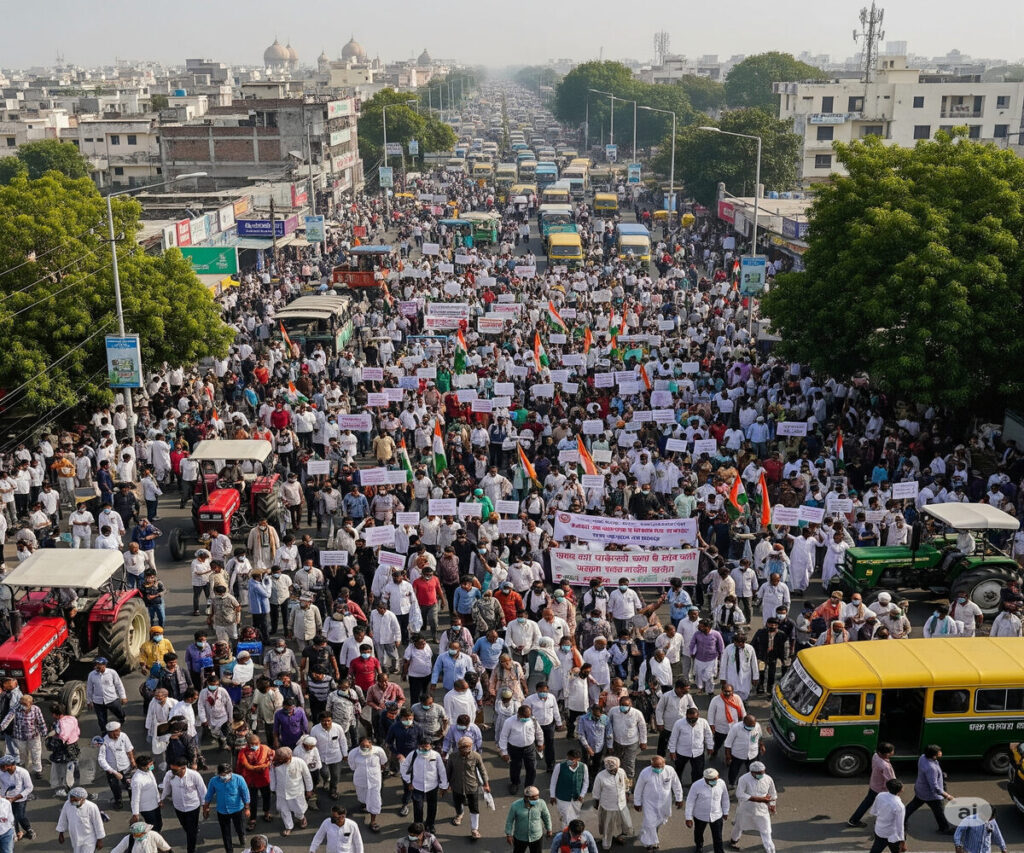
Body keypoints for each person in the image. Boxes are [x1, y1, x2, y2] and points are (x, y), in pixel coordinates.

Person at [633, 755, 683, 851]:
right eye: (655, 767)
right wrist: (637, 802)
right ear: (651, 765)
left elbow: (676, 784)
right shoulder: (645, 773)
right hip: (649, 803)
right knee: (650, 822)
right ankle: (650, 844)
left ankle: (651, 836)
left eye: (660, 766)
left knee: (659, 821)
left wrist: (679, 798)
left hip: (664, 803)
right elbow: (638, 788)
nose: (658, 769)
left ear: (664, 763)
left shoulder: (670, 770)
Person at [903, 744, 955, 834]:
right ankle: (944, 828)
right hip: (931, 795)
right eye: (939, 752)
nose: (941, 752)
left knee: (912, 806)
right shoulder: (931, 768)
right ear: (934, 756)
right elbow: (934, 786)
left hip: (921, 789)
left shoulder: (923, 757)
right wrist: (947, 796)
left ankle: (900, 820)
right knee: (939, 811)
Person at [401, 736, 448, 834]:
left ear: (431, 746)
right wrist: (408, 781)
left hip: (432, 786)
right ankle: (418, 826)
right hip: (417, 786)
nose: (424, 749)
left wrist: (443, 786)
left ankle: (430, 825)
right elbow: (404, 767)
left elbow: (442, 770)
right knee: (418, 808)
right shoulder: (413, 755)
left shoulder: (436, 755)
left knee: (432, 807)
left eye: (427, 746)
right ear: (418, 746)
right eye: (422, 746)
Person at [728, 760, 777, 852]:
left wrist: (772, 805)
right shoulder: (743, 779)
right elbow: (740, 794)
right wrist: (759, 799)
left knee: (766, 830)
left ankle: (770, 850)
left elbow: (772, 793)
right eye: (759, 773)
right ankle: (733, 841)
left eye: (763, 772)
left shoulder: (768, 779)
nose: (762, 775)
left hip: (762, 810)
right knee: (739, 826)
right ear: (752, 772)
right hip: (746, 809)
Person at [446, 735, 488, 839]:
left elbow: (482, 770)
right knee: (457, 803)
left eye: (468, 747)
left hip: (472, 786)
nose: (466, 750)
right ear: (459, 747)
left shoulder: (476, 756)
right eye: (463, 748)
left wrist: (486, 784)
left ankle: (474, 829)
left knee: (474, 808)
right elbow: (448, 771)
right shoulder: (452, 756)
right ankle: (459, 814)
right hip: (457, 785)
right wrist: (446, 785)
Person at [160, 758, 206, 853]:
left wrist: (205, 807)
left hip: (192, 807)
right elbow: (166, 788)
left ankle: (191, 849)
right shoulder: (169, 774)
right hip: (178, 807)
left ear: (183, 768)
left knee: (191, 831)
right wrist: (161, 799)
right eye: (172, 769)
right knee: (185, 826)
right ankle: (194, 831)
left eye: (175, 770)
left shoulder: (194, 775)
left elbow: (203, 791)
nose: (172, 772)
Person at [203, 761, 251, 853]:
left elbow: (245, 793)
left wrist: (247, 808)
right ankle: (229, 850)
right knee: (225, 833)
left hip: (237, 809)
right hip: (222, 811)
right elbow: (209, 795)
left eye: (227, 774)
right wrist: (205, 808)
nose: (225, 776)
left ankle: (241, 837)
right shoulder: (214, 781)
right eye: (222, 775)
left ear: (230, 772)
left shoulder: (239, 779)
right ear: (219, 774)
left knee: (239, 827)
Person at [499, 703, 544, 794]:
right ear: (519, 714)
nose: (527, 718)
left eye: (528, 716)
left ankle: (529, 786)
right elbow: (503, 737)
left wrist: (540, 743)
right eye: (525, 717)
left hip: (529, 748)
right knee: (515, 767)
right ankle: (515, 783)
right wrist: (504, 752)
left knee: (531, 767)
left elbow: (539, 732)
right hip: (514, 748)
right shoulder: (509, 722)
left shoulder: (533, 720)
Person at [848, 742, 896, 827]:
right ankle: (880, 824)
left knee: (867, 802)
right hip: (881, 789)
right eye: (892, 751)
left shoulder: (876, 756)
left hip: (874, 785)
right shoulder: (885, 766)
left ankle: (854, 820)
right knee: (884, 807)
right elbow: (890, 780)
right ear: (887, 754)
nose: (893, 752)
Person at [590, 755, 631, 852]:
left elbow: (626, 783)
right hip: (608, 806)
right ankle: (606, 845)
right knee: (608, 827)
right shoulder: (600, 776)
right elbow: (596, 792)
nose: (613, 771)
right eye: (611, 770)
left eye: (615, 769)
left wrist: (627, 793)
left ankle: (620, 837)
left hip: (622, 805)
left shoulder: (621, 771)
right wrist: (596, 803)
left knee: (626, 824)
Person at [269, 746, 313, 836]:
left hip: (296, 792)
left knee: (299, 809)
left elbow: (307, 776)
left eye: (281, 759)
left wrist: (309, 789)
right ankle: (288, 827)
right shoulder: (275, 764)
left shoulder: (299, 762)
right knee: (284, 810)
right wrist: (272, 788)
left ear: (289, 757)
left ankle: (301, 818)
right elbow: (272, 776)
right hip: (281, 792)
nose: (279, 761)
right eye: (279, 758)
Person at [684, 768, 730, 853]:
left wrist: (726, 811)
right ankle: (699, 846)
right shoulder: (696, 785)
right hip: (700, 816)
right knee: (698, 833)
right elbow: (690, 801)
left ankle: (719, 851)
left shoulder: (721, 783)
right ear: (705, 779)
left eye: (715, 779)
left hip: (717, 815)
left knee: (718, 837)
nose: (714, 782)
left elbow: (725, 798)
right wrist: (688, 818)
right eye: (711, 780)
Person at [668, 706, 714, 788]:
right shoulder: (679, 723)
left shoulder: (703, 722)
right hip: (682, 752)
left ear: (698, 716)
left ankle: (695, 786)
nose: (692, 721)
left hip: (698, 752)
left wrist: (710, 746)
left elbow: (708, 735)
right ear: (686, 716)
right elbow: (673, 737)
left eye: (694, 719)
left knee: (698, 772)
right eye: (689, 719)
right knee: (678, 770)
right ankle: (677, 786)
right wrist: (672, 751)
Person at [98, 720, 136, 809]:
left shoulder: (123, 736)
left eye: (118, 731)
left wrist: (132, 761)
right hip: (112, 770)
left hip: (126, 767)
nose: (117, 734)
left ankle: (133, 802)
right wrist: (113, 772)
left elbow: (129, 748)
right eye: (114, 733)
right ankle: (118, 801)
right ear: (109, 733)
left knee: (130, 786)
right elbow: (101, 759)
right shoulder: (104, 741)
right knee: (115, 787)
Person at [56, 786, 105, 853]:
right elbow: (63, 818)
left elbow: (98, 823)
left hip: (89, 838)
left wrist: (100, 840)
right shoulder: (67, 804)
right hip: (75, 837)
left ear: (83, 799)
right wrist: (61, 833)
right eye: (71, 799)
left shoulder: (92, 807)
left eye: (75, 800)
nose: (72, 802)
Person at [504, 786, 553, 853]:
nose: (536, 801)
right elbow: (509, 821)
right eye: (534, 799)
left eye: (537, 798)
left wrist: (549, 829)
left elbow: (546, 816)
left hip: (536, 837)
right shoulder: (515, 805)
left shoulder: (541, 803)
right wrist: (509, 834)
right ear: (526, 797)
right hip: (520, 837)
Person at [549, 748, 589, 826]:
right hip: (562, 798)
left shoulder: (583, 767)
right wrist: (552, 796)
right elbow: (553, 782)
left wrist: (582, 795)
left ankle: (572, 831)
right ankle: (566, 831)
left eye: (572, 759)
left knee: (575, 817)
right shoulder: (559, 766)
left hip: (576, 798)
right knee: (565, 818)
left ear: (578, 759)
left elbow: (585, 782)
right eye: (569, 758)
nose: (570, 761)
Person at [87, 656, 128, 731]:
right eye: (96, 664)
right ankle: (104, 732)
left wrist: (123, 697)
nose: (96, 666)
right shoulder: (91, 675)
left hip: (112, 699)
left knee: (119, 712)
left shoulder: (112, 672)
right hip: (98, 702)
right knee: (101, 720)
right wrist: (89, 701)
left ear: (104, 665)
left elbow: (119, 684)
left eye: (99, 665)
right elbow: (89, 689)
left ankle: (122, 718)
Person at [723, 714, 765, 787]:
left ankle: (752, 783)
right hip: (738, 755)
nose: (751, 727)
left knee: (753, 770)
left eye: (753, 725)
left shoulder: (757, 726)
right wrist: (728, 756)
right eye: (749, 725)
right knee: (734, 770)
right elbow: (728, 743)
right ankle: (731, 783)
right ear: (744, 723)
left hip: (753, 754)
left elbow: (760, 736)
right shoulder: (736, 728)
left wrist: (762, 745)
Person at [868, 778, 907, 853]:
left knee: (875, 850)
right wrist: (902, 842)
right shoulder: (899, 806)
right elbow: (900, 826)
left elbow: (874, 811)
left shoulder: (880, 795)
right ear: (900, 790)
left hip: (879, 831)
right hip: (892, 835)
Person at [0, 753, 33, 840]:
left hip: (19, 799)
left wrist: (14, 798)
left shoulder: (23, 772)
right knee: (10, 817)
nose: (0, 768)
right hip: (5, 799)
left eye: (2, 766)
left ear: (10, 765)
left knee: (20, 816)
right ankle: (16, 832)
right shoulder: (1, 773)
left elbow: (29, 787)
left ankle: (28, 829)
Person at [130, 753, 163, 832]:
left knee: (159, 824)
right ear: (143, 767)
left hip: (155, 804)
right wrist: (135, 814)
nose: (152, 766)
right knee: (153, 827)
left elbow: (154, 786)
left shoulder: (149, 771)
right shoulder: (137, 780)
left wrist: (159, 800)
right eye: (150, 764)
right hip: (147, 809)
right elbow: (135, 799)